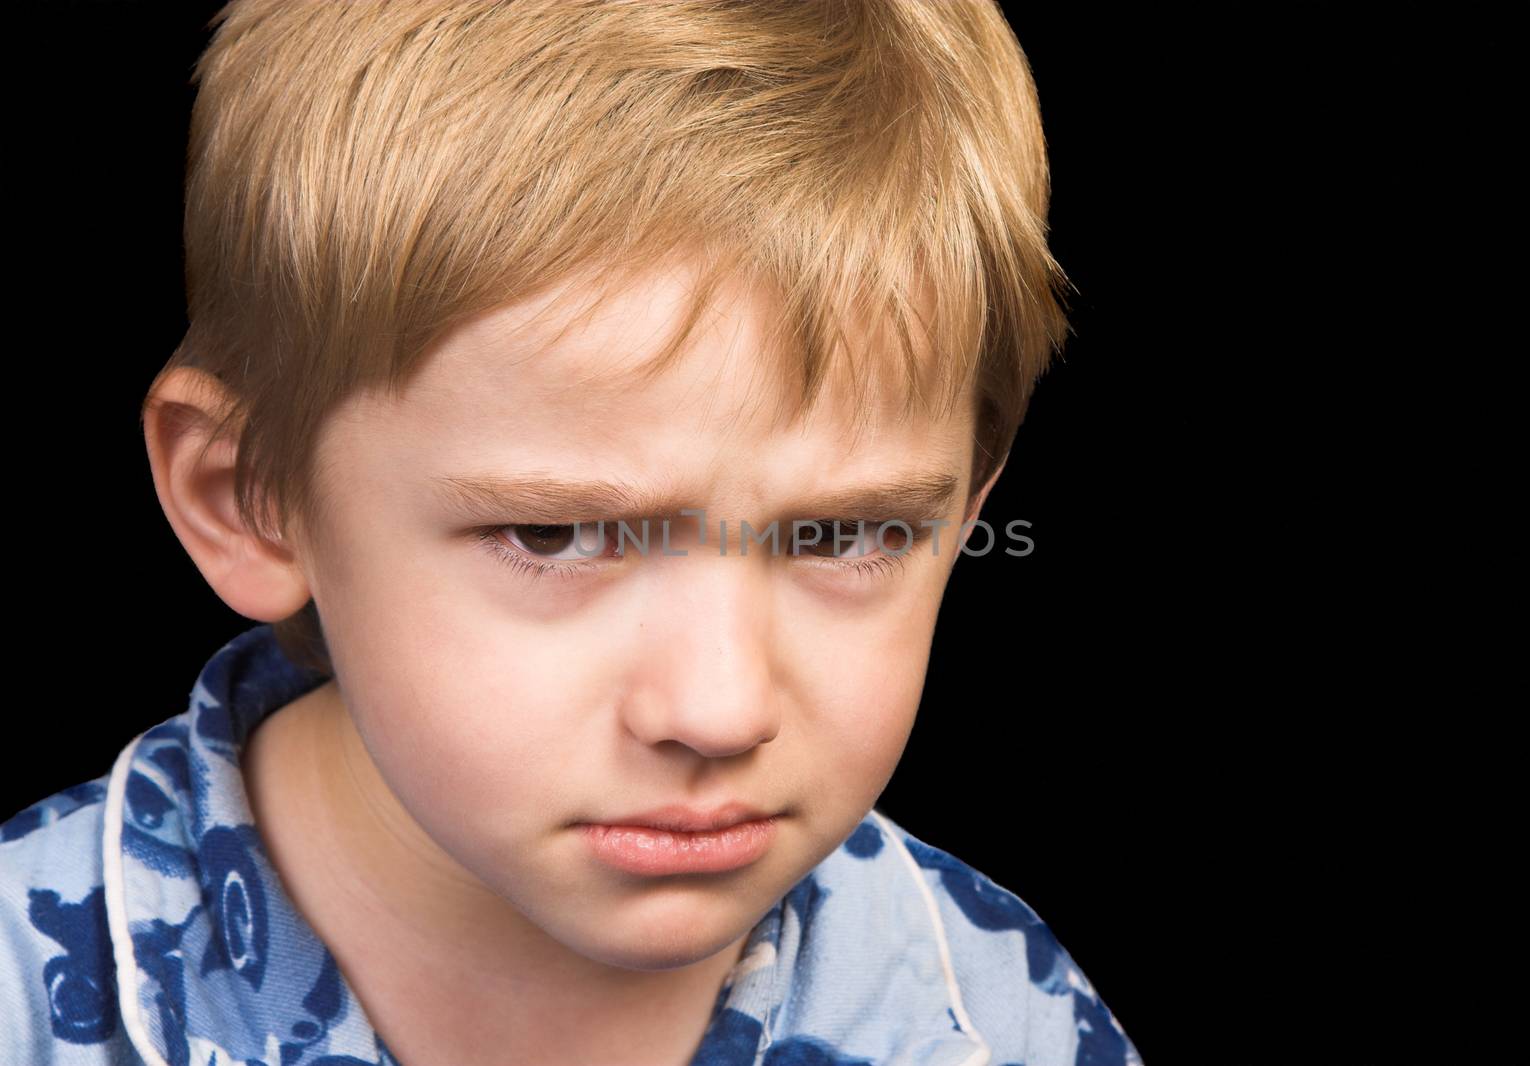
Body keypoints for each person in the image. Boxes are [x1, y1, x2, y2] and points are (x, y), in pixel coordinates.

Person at [0, 2, 1143, 1063]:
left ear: (967, 511)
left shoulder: (1007, 1021)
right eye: (554, 536)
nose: (718, 709)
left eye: (843, 534)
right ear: (245, 496)